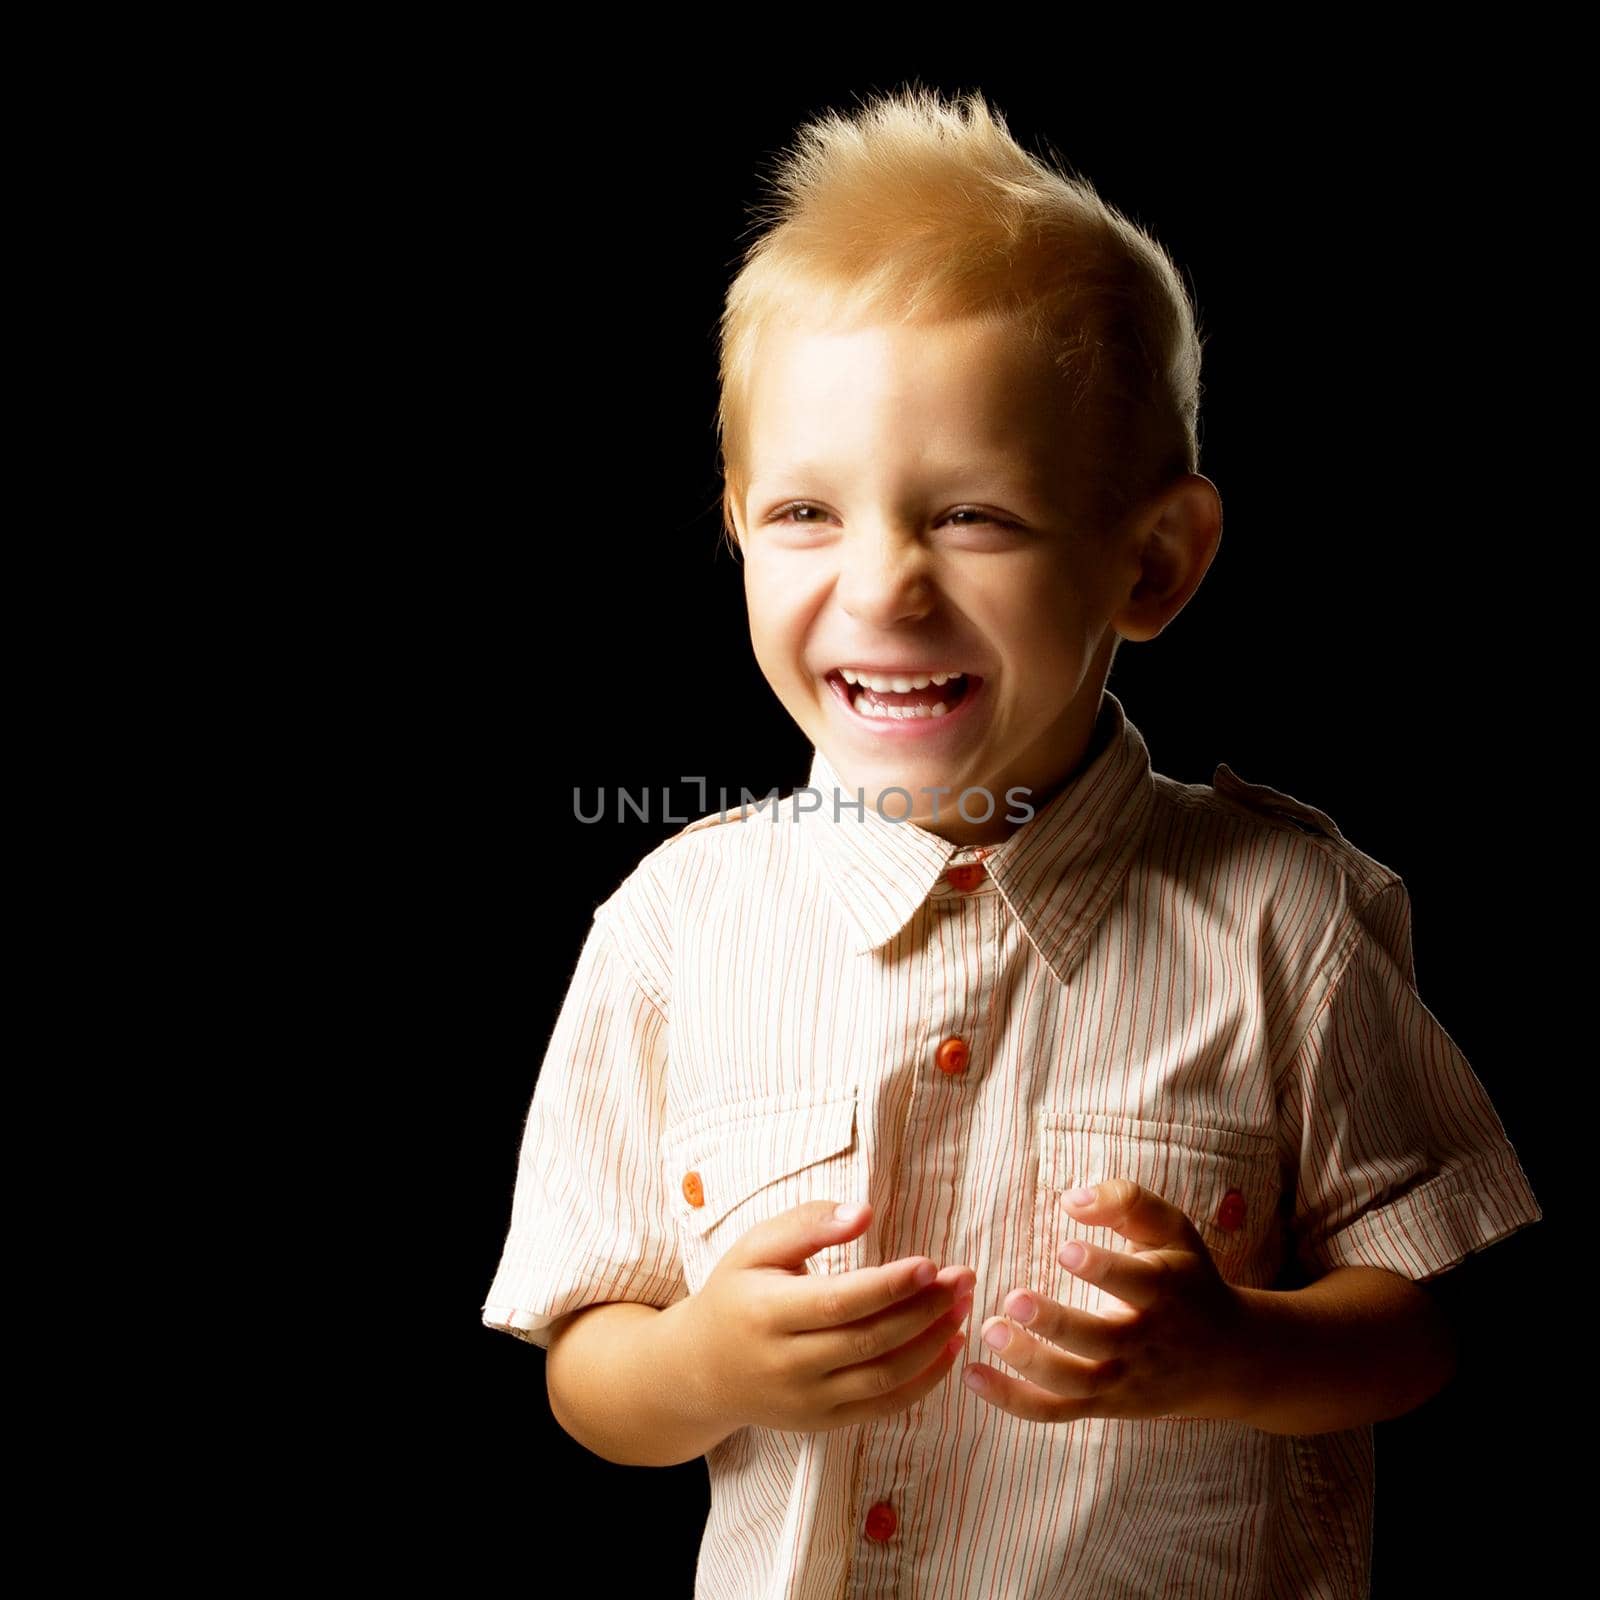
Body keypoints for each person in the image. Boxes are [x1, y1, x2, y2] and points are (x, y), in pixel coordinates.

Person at [480, 85, 1542, 1597]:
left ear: (1153, 560)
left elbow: (1422, 1323)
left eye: (972, 515)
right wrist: (708, 1365)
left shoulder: (1285, 918)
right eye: (804, 514)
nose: (882, 586)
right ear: (732, 524)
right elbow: (589, 1367)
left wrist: (1235, 1350)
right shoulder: (676, 928)